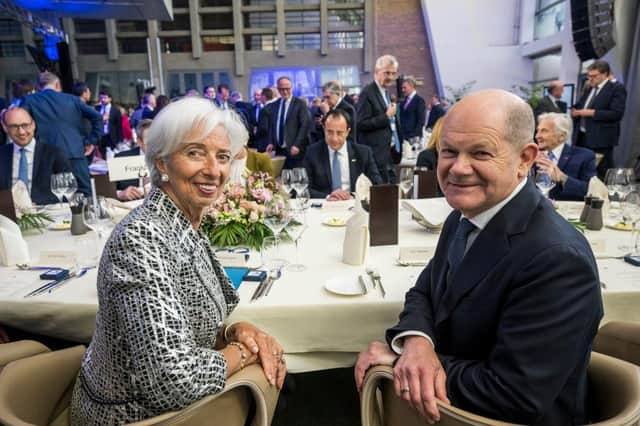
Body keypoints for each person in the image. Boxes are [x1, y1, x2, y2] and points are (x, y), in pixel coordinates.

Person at [355, 89, 602, 426]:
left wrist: (399, 362)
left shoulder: (557, 259)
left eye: (481, 153)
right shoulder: (464, 215)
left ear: (526, 159)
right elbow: (424, 291)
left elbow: (514, 394)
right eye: (449, 151)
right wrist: (415, 344)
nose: (458, 168)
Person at [70, 97, 286, 424]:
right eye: (195, 153)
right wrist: (243, 353)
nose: (214, 170)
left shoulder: (184, 223)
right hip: (128, 415)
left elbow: (177, 327)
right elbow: (171, 380)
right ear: (161, 162)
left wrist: (232, 332)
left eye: (223, 157)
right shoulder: (142, 238)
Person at [21, 71, 101, 196]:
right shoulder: (73, 99)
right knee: (85, 196)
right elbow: (97, 117)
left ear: (39, 86)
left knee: (49, 198)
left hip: (45, 156)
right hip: (75, 154)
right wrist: (91, 141)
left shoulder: (29, 100)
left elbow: (22, 122)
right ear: (57, 84)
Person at [304, 109, 381, 200]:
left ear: (347, 132)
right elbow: (304, 188)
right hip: (325, 206)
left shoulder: (363, 153)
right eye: (329, 132)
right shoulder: (312, 152)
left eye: (339, 133)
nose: (334, 139)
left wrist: (353, 196)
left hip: (354, 205)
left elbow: (377, 185)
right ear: (324, 129)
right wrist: (327, 196)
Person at [0, 107, 72, 204]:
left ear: (33, 124)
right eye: (14, 126)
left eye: (25, 125)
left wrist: (36, 205)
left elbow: (68, 192)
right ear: (5, 128)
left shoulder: (54, 154)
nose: (21, 132)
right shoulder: (2, 154)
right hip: (7, 215)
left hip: (45, 214)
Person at [571, 60, 627, 178]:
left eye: (594, 76)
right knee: (584, 171)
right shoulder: (590, 88)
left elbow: (616, 114)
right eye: (589, 76)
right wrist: (575, 110)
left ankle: (607, 195)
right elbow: (581, 105)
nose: (590, 79)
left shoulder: (616, 88)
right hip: (582, 136)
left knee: (603, 173)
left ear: (605, 74)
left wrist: (592, 113)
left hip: (601, 139)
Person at [357, 55, 402, 183]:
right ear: (376, 72)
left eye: (393, 73)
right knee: (381, 196)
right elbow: (360, 124)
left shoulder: (385, 92)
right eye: (387, 73)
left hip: (388, 154)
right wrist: (386, 116)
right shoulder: (367, 93)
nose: (391, 77)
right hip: (375, 156)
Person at [535, 112, 596, 201]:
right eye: (538, 131)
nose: (537, 136)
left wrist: (563, 178)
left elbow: (590, 191)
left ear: (562, 136)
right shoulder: (533, 156)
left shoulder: (584, 156)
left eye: (544, 131)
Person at [265, 76, 311, 168]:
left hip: (294, 149)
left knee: (294, 178)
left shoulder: (300, 104)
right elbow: (272, 125)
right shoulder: (274, 105)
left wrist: (297, 145)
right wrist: (270, 142)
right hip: (279, 150)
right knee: (281, 177)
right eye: (282, 89)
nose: (285, 91)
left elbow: (305, 126)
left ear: (292, 88)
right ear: (278, 89)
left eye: (287, 89)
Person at [114, 119, 152, 201]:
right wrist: (120, 194)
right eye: (149, 142)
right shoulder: (121, 159)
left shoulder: (168, 158)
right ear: (139, 142)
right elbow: (107, 191)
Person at [399, 76, 426, 141]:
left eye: (404, 88)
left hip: (413, 139)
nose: (402, 90)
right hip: (403, 138)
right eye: (402, 88)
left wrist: (415, 137)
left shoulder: (419, 101)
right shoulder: (403, 102)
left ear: (411, 86)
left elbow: (421, 121)